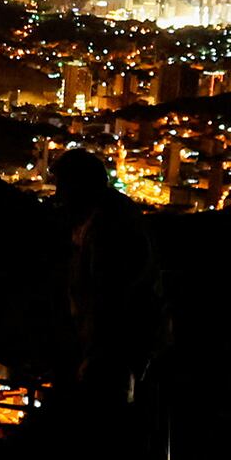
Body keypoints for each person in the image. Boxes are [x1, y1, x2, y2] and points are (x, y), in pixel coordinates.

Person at [51, 147, 169, 406]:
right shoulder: (106, 214)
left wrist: (95, 353)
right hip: (121, 344)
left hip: (115, 350)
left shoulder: (108, 226)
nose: (58, 196)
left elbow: (109, 295)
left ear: (80, 186)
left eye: (63, 187)